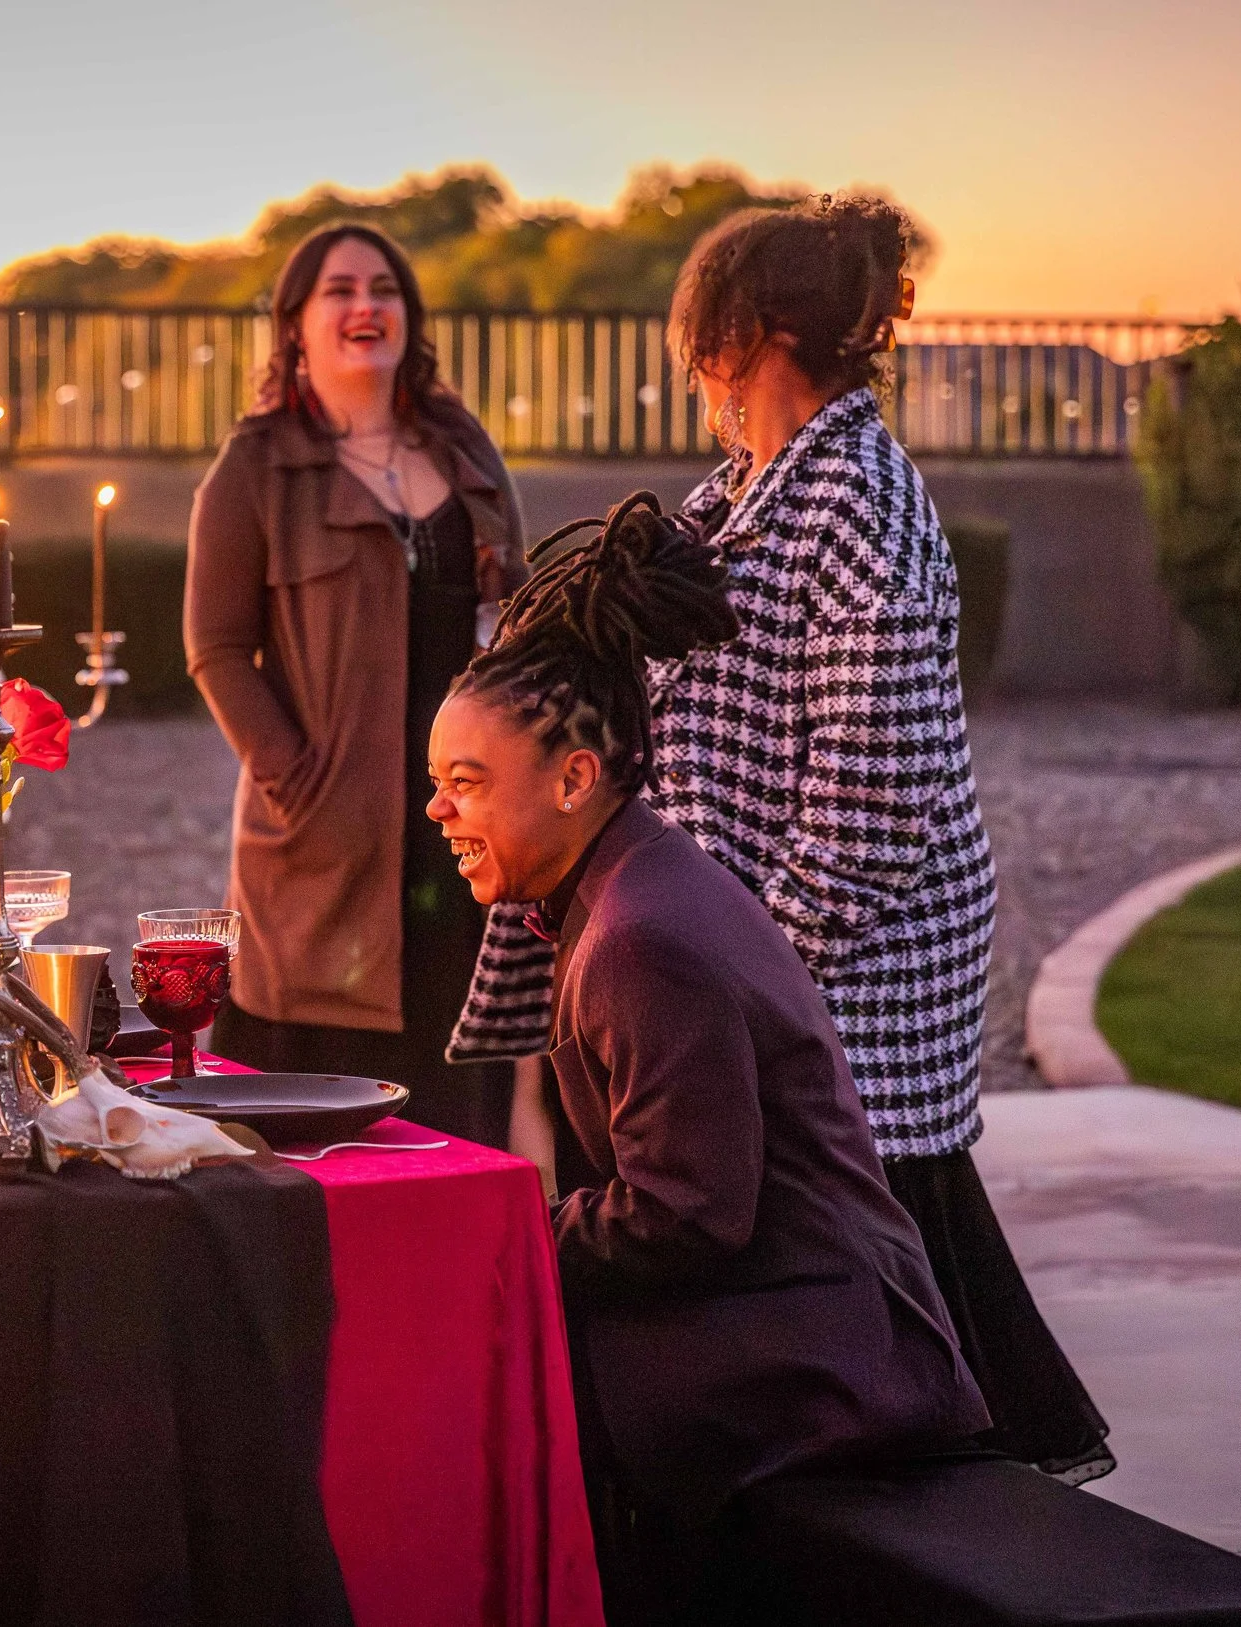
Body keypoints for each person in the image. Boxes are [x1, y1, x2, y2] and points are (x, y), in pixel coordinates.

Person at [454, 195, 1112, 1482]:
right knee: (767, 1247)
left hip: (844, 971)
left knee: (860, 1271)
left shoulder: (862, 503)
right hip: (735, 949)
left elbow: (872, 805)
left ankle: (910, 1523)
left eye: (699, 328)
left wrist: (739, 967)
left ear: (740, 333)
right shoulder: (750, 488)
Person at [426, 498, 989, 1625]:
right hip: (788, 1316)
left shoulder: (640, 942)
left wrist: (505, 1231)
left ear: (575, 777)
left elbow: (688, 1216)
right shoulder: (630, 880)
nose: (437, 809)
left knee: (469, 1394)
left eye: (468, 781)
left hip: (816, 1362)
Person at [186, 222, 526, 1142]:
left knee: (455, 1089)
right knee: (313, 1119)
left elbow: (516, 611)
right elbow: (215, 649)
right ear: (295, 322)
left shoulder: (465, 452)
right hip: (322, 839)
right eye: (339, 289)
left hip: (461, 825)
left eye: (384, 288)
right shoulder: (254, 469)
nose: (366, 305)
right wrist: (298, 780)